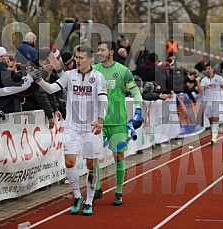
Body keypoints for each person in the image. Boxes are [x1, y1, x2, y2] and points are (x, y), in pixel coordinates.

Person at [35, 45, 108, 215]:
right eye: (76, 57)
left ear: (90, 60)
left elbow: (103, 100)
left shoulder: (98, 77)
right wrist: (40, 81)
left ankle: (89, 200)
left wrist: (100, 121)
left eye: (81, 58)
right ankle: (77, 195)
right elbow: (52, 89)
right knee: (69, 162)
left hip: (91, 127)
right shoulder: (69, 75)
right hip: (72, 127)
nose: (77, 60)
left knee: (91, 165)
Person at [93, 40, 143, 206]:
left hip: (118, 123)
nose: (99, 53)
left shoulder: (123, 72)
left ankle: (119, 191)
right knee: (93, 156)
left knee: (119, 157)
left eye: (102, 50)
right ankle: (98, 188)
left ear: (111, 52)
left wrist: (138, 110)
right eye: (98, 50)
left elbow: (136, 93)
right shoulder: (93, 70)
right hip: (98, 123)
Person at [199, 61, 223, 145]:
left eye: (209, 68)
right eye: (206, 69)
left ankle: (214, 138)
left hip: (216, 101)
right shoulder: (204, 80)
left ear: (212, 69)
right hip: (207, 103)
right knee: (211, 120)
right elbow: (201, 91)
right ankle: (214, 131)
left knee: (215, 119)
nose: (207, 70)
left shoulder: (219, 78)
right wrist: (198, 82)